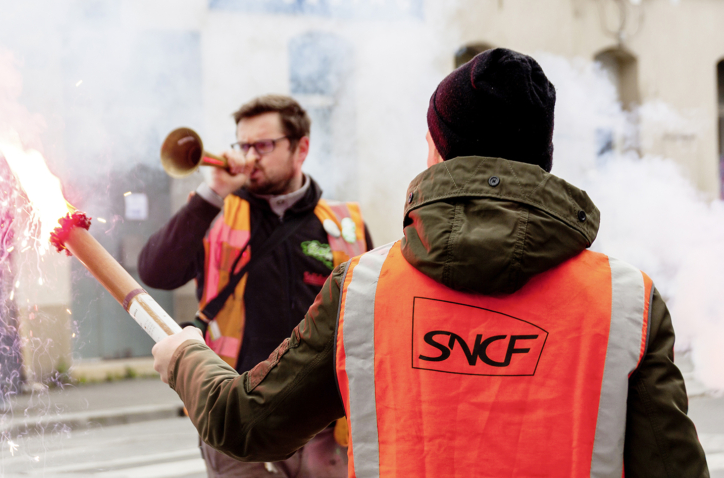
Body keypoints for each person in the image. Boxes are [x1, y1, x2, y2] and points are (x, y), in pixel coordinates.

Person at [151, 49, 709, 477]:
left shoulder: (365, 287)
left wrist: (184, 355)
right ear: (543, 156)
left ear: (439, 150)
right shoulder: (627, 300)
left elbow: (246, 424)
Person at [139, 94, 372, 478]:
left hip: (324, 426)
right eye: (243, 144)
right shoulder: (217, 211)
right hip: (235, 415)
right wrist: (212, 192)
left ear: (301, 148)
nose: (249, 156)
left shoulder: (345, 223)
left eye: (263, 145)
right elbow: (156, 271)